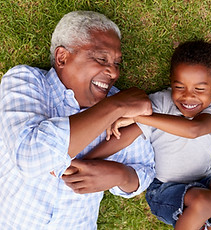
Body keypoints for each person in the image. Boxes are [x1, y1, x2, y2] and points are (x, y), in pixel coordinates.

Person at [0, 11, 155, 229]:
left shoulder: (122, 107)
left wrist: (119, 175)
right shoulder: (25, 82)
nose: (113, 72)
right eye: (102, 59)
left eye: (117, 63)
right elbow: (30, 157)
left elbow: (145, 170)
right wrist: (114, 106)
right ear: (62, 57)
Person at [82, 40, 211, 230]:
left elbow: (195, 130)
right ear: (171, 81)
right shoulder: (160, 102)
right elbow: (127, 136)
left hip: (204, 180)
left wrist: (141, 117)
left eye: (200, 89)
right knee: (205, 201)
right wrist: (88, 159)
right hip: (164, 189)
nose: (188, 97)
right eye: (179, 87)